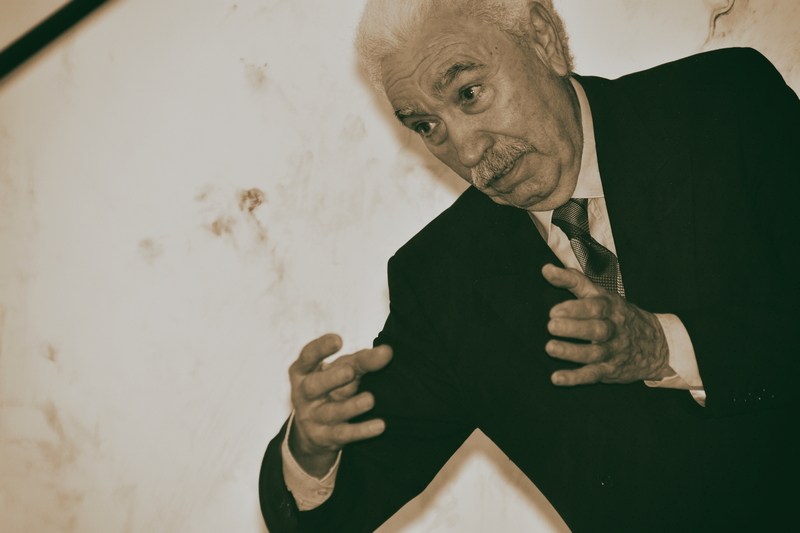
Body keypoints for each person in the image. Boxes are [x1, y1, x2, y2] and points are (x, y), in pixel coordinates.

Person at [259, 1, 800, 531]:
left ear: (543, 39)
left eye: (469, 93)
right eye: (427, 125)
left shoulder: (723, 104)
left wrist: (666, 347)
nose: (467, 151)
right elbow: (332, 511)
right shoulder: (442, 279)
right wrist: (310, 448)